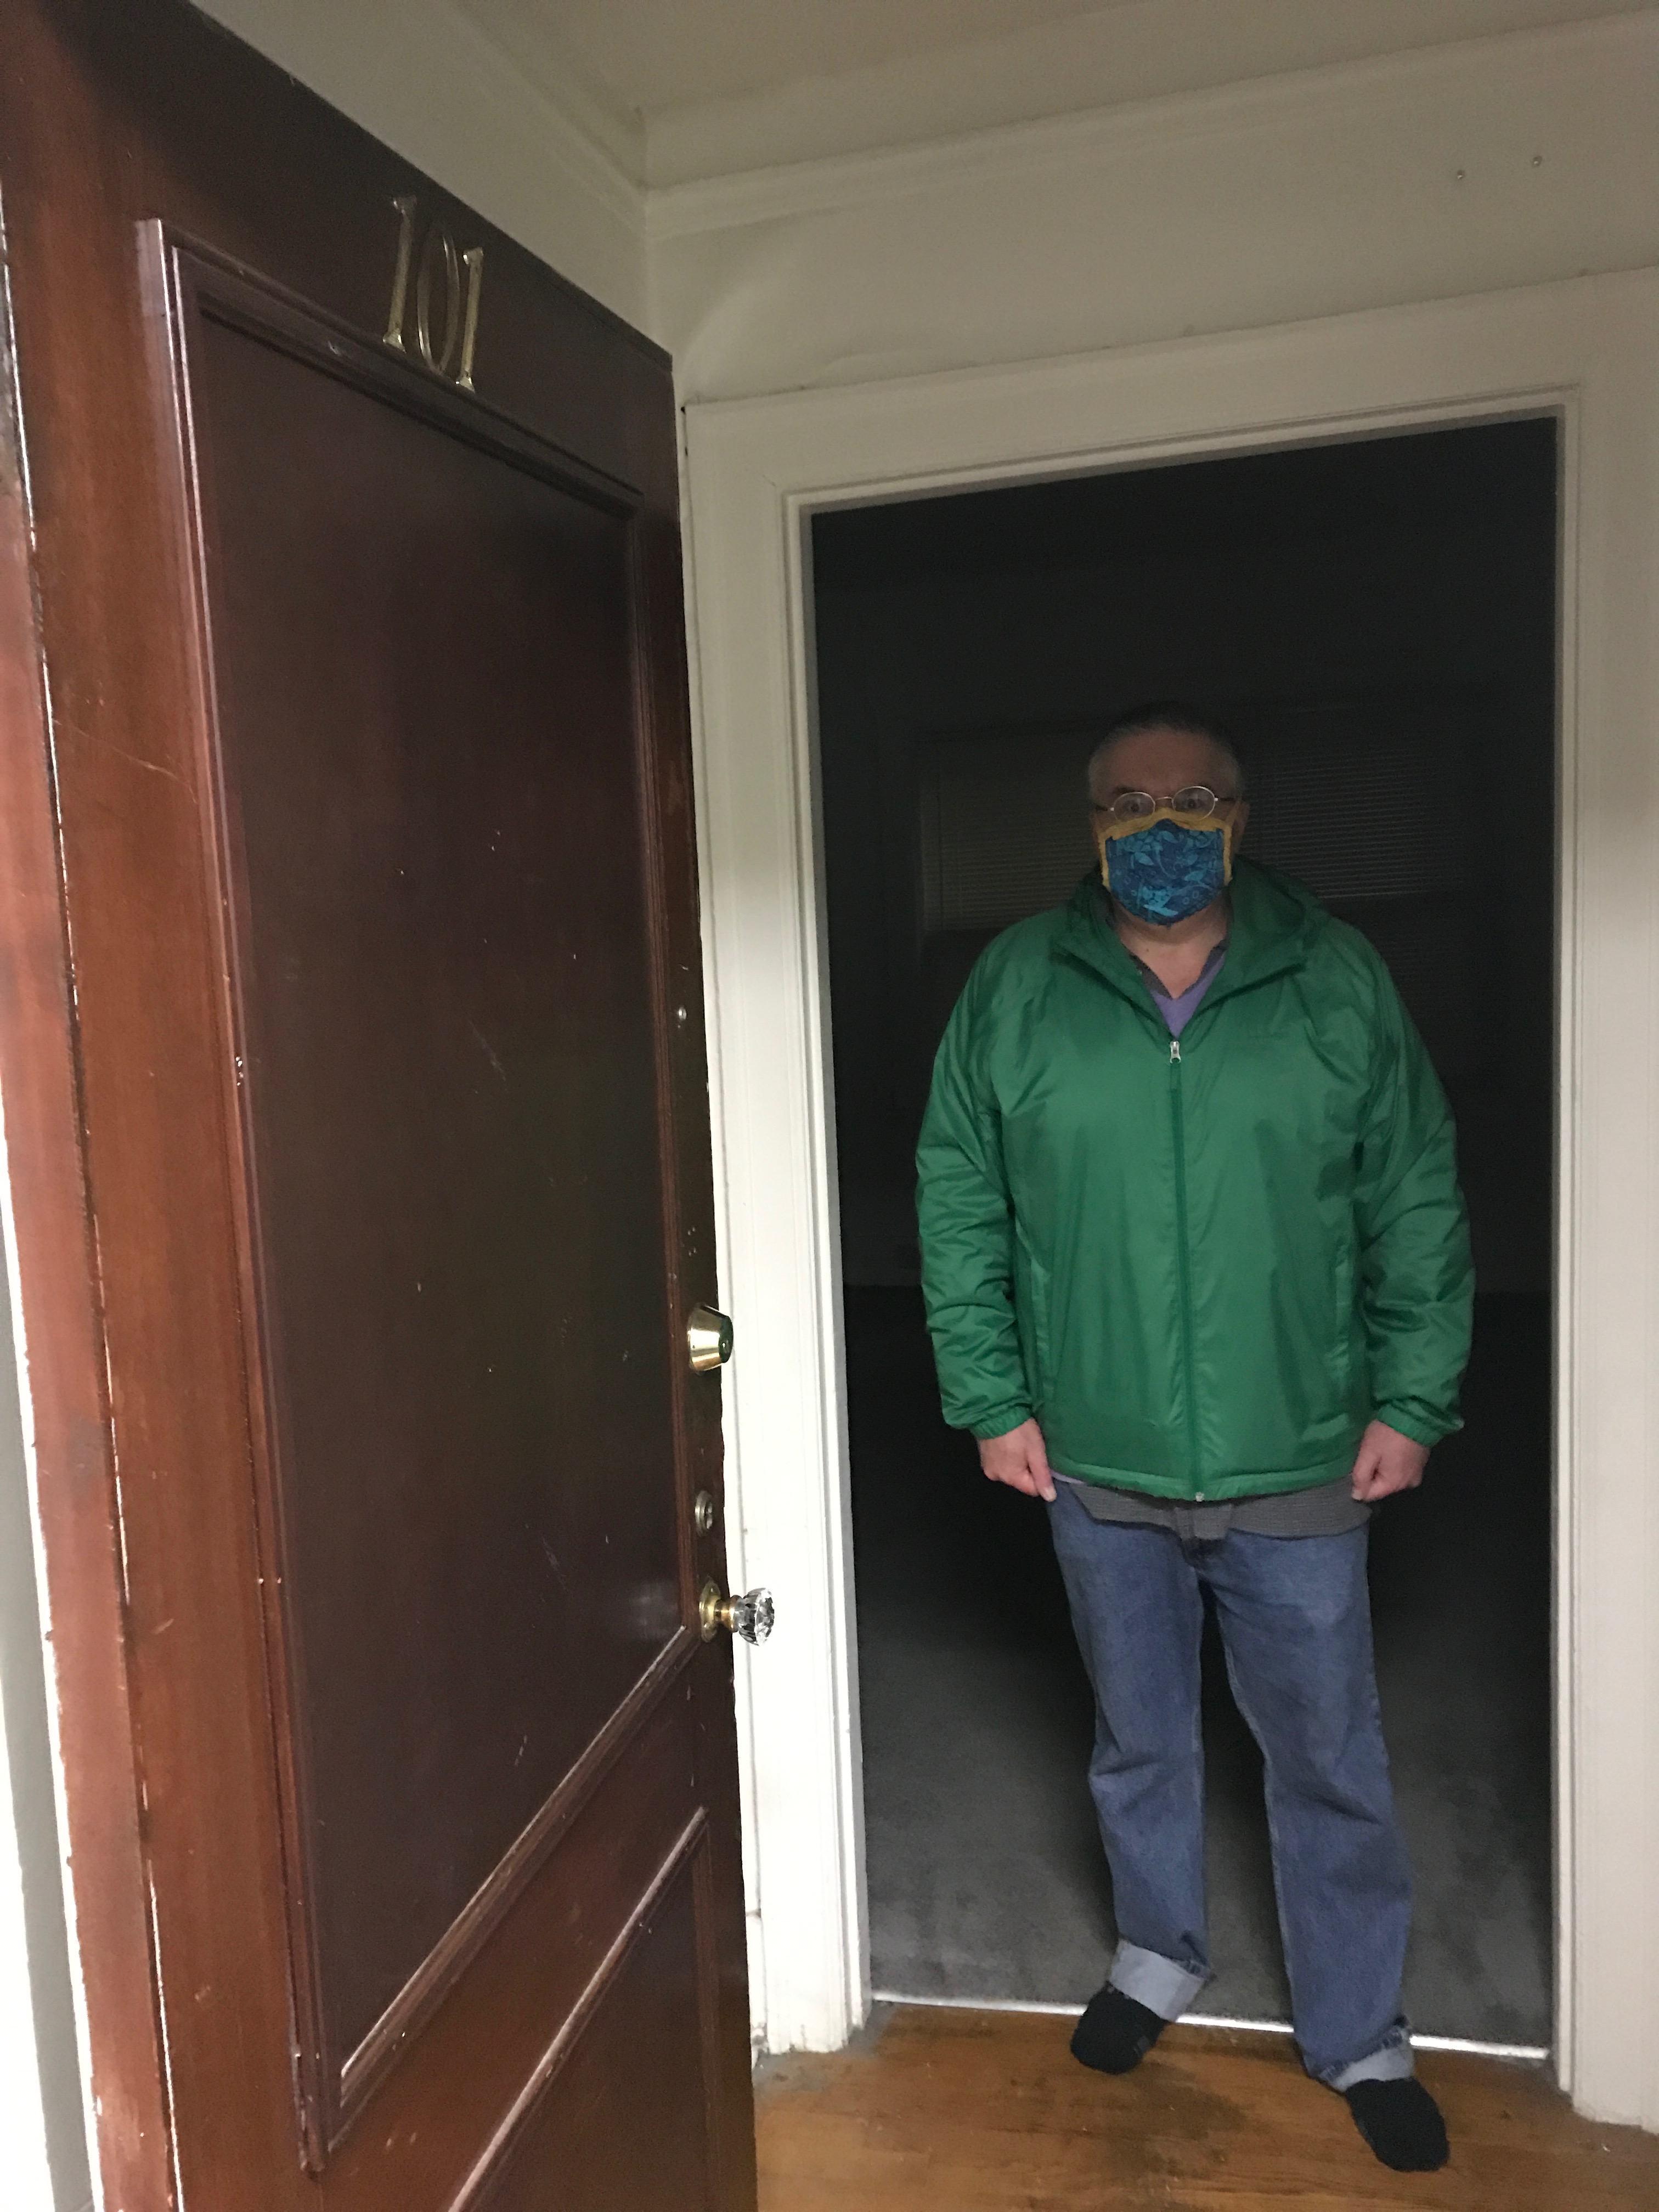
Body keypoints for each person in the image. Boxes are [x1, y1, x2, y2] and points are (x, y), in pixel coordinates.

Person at [915, 703, 1473, 2174]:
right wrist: (992, 1397)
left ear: (1241, 819)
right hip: (1095, 1455)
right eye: (1128, 804)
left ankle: (1360, 2033)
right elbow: (959, 1196)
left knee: (1329, 1755)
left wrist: (1413, 1397)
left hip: (1299, 1451)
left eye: (1192, 800)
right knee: (1138, 1737)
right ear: (1090, 826)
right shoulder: (1017, 986)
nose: (1160, 828)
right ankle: (1157, 1954)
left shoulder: (1335, 979)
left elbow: (1415, 1193)